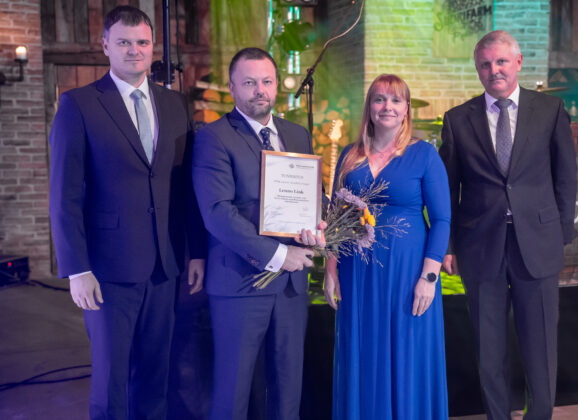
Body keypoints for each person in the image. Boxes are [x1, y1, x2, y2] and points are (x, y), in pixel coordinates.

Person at [48, 6, 206, 419]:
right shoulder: (79, 104)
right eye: (123, 42)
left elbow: (185, 187)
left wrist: (196, 251)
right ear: (105, 46)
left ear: (153, 47)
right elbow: (64, 195)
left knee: (155, 377)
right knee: (110, 380)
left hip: (164, 265)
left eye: (141, 42)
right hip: (107, 270)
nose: (134, 50)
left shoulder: (175, 104)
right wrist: (76, 269)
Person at [439, 30, 577, 420]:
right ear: (477, 69)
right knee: (489, 348)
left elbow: (566, 176)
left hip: (537, 242)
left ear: (518, 62)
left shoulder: (549, 110)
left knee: (540, 345)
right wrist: (448, 245)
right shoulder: (457, 120)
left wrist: (561, 232)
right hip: (480, 247)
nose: (494, 70)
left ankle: (539, 415)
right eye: (485, 64)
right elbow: (447, 189)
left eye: (501, 61)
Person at [192, 47, 324, 420]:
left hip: (291, 287)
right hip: (240, 283)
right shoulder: (213, 137)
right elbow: (218, 213)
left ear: (276, 85)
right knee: (233, 391)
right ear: (232, 87)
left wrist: (320, 224)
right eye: (249, 82)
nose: (259, 90)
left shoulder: (297, 135)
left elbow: (312, 195)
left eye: (266, 81)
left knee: (287, 388)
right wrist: (280, 256)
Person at [324, 74, 451, 420]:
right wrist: (331, 269)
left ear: (407, 108)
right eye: (379, 99)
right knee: (363, 351)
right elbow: (335, 217)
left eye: (396, 100)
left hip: (408, 273)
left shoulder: (424, 155)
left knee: (408, 352)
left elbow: (442, 219)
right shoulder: (350, 155)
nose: (387, 107)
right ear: (369, 106)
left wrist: (429, 277)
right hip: (357, 272)